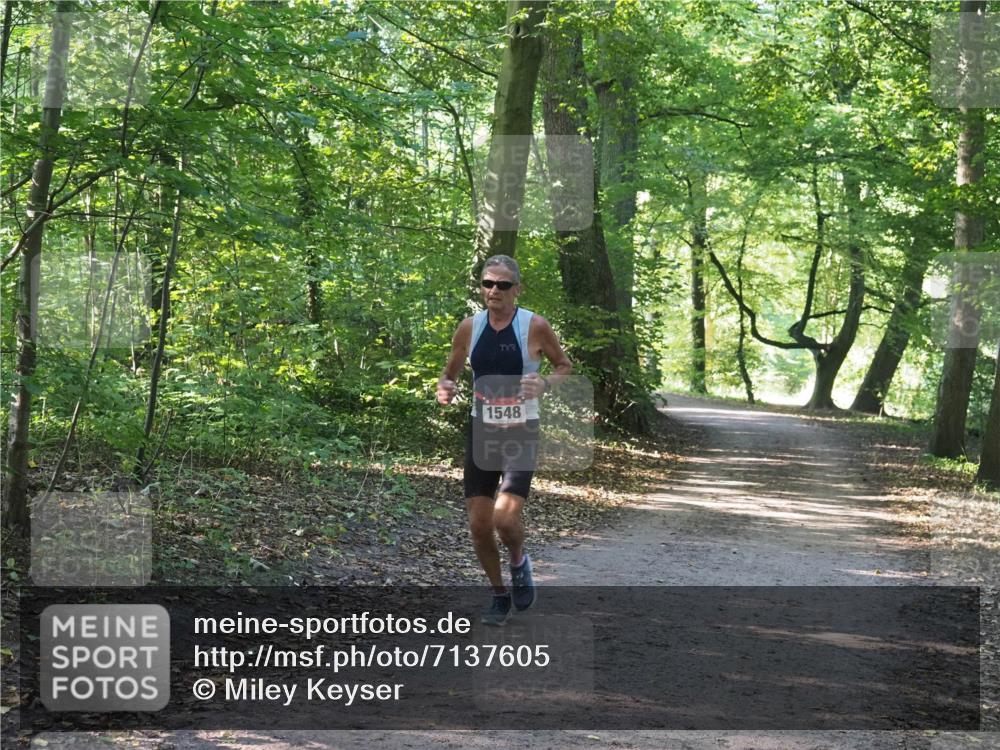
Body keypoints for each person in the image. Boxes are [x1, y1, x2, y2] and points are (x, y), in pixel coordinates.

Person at [437, 254, 572, 625]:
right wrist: (445, 387)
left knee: (505, 518)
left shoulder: (535, 326)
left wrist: (545, 383)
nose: (493, 290)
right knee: (479, 524)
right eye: (487, 283)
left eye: (502, 284)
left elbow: (564, 365)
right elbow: (451, 369)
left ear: (517, 289)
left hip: (520, 430)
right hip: (482, 430)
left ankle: (519, 562)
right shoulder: (470, 327)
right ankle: (499, 595)